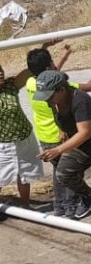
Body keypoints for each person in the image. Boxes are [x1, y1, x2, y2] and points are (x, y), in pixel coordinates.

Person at [34, 70, 91, 228]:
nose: (46, 100)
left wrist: (58, 150)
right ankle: (90, 196)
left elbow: (84, 133)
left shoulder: (80, 100)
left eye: (49, 95)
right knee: (63, 173)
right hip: (83, 147)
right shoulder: (54, 102)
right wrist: (63, 131)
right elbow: (67, 122)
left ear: (61, 90)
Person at [25, 42, 91, 217]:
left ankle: (59, 207)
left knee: (57, 172)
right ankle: (71, 207)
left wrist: (62, 57)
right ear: (48, 66)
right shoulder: (63, 89)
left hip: (44, 136)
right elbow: (89, 86)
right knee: (69, 171)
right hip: (62, 136)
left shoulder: (31, 83)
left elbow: (49, 76)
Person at [0, 64, 43, 208]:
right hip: (3, 144)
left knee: (25, 173)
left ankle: (25, 206)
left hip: (24, 138)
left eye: (1, 69)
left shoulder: (10, 86)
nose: (0, 73)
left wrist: (43, 47)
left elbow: (30, 69)